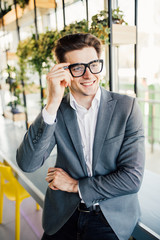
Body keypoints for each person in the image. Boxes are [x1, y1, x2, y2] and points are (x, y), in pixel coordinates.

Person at [16, 33, 145, 240]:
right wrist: (52, 102)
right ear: (62, 71)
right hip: (63, 215)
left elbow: (132, 179)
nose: (88, 75)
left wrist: (75, 185)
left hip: (109, 219)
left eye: (94, 64)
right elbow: (27, 163)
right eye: (78, 68)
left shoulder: (126, 108)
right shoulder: (56, 110)